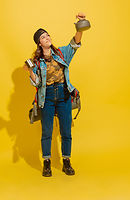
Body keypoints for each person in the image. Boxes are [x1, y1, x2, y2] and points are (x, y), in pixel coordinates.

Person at [23, 12, 86, 177]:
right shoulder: (37, 62)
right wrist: (30, 70)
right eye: (43, 37)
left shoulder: (61, 53)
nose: (47, 37)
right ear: (39, 42)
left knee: (66, 131)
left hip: (64, 94)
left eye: (48, 35)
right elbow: (36, 83)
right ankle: (47, 163)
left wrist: (80, 25)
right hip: (47, 97)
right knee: (47, 132)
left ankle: (66, 162)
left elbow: (75, 43)